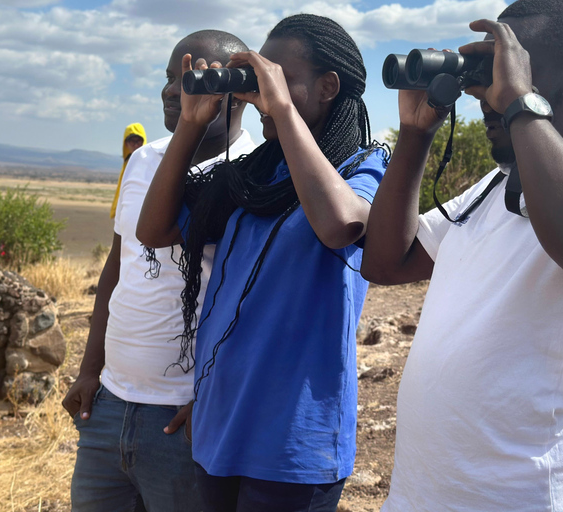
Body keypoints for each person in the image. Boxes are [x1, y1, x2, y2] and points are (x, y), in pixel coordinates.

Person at [361, 0, 563, 510]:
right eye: (486, 74)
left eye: (510, 69)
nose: (488, 95)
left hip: (524, 493)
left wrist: (520, 102)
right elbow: (386, 261)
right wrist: (415, 137)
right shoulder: (493, 187)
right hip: (423, 492)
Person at [136, 14, 387, 512]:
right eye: (258, 78)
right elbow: (155, 230)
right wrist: (191, 125)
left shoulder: (362, 167)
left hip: (293, 442)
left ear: (327, 87)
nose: (262, 93)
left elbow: (339, 224)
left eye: (281, 78)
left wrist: (281, 110)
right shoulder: (255, 174)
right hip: (221, 426)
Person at [62, 30, 255, 512]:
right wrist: (90, 370)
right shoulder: (143, 160)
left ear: (235, 91)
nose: (173, 90)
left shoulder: (257, 173)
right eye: (170, 77)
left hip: (185, 416)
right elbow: (117, 266)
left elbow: (256, 302)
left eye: (190, 77)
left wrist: (213, 400)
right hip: (109, 404)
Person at [110, 123, 147, 219]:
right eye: (132, 141)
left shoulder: (148, 164)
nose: (135, 145)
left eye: (139, 141)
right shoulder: (127, 162)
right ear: (126, 143)